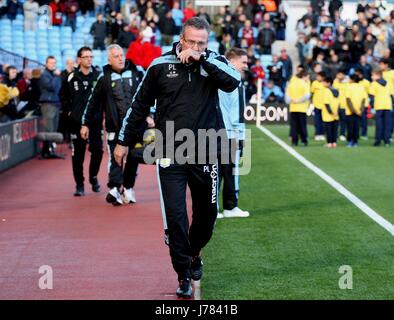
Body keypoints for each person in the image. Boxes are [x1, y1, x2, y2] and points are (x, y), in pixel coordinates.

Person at [113, 17, 240, 299]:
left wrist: (203, 58)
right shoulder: (159, 65)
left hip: (207, 149)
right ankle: (183, 273)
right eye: (191, 41)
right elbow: (138, 106)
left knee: (207, 215)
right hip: (170, 152)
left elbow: (234, 82)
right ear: (181, 39)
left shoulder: (213, 62)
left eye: (201, 42)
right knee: (176, 217)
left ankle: (194, 253)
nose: (195, 46)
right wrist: (122, 142)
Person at [81, 44, 146, 205]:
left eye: (121, 55)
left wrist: (151, 114)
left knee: (133, 157)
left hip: (136, 126)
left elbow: (149, 94)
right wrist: (85, 123)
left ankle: (128, 188)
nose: (120, 58)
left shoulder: (137, 72)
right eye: (116, 56)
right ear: (109, 60)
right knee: (116, 157)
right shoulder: (103, 78)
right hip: (114, 127)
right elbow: (92, 102)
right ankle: (115, 188)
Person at [61, 47, 103, 197]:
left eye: (91, 56)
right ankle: (79, 184)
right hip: (76, 123)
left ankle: (93, 177)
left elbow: (103, 98)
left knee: (98, 151)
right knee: (77, 155)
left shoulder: (99, 76)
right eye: (86, 57)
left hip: (95, 122)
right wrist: (69, 112)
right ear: (79, 59)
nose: (89, 59)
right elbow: (64, 97)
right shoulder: (71, 77)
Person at [216, 48, 249, 219]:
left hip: (214, 132)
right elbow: (237, 114)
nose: (246, 66)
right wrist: (241, 137)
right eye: (243, 62)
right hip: (228, 134)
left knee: (216, 172)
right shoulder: (234, 82)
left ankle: (216, 208)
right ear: (232, 61)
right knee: (229, 172)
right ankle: (230, 207)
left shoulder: (217, 78)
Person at [39, 56, 62, 158]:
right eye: (51, 63)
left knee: (53, 129)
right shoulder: (44, 75)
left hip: (55, 104)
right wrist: (57, 77)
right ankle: (47, 151)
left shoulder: (52, 75)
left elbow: (58, 88)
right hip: (48, 104)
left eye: (54, 63)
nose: (53, 65)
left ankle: (48, 151)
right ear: (46, 63)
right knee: (49, 129)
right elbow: (52, 87)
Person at [285, 70, 311, 146]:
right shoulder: (305, 84)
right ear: (304, 76)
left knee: (294, 126)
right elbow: (307, 95)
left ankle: (294, 142)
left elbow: (287, 96)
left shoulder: (291, 84)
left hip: (293, 107)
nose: (308, 79)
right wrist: (299, 100)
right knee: (302, 125)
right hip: (302, 108)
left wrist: (292, 100)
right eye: (307, 77)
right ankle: (304, 141)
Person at [369, 70, 393, 147]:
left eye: (373, 75)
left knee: (379, 124)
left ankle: (378, 141)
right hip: (388, 106)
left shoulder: (374, 84)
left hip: (378, 106)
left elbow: (372, 97)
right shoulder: (388, 83)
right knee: (388, 124)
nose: (371, 77)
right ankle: (387, 141)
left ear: (378, 75)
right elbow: (391, 95)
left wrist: (372, 107)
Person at [344, 74, 368, 147]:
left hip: (350, 111)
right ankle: (355, 142)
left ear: (352, 80)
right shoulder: (362, 87)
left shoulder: (349, 87)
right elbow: (364, 100)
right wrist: (360, 110)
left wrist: (353, 110)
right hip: (359, 112)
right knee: (357, 127)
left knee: (350, 127)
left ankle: (350, 141)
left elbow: (348, 100)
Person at [321, 76, 339, 148]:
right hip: (336, 113)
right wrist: (336, 112)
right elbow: (338, 102)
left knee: (328, 129)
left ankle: (329, 142)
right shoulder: (337, 91)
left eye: (324, 82)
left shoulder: (326, 91)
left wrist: (330, 112)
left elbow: (326, 103)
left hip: (328, 114)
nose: (323, 83)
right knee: (334, 129)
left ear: (328, 83)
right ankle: (334, 142)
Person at [333, 69, 348, 141]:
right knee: (335, 120)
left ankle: (342, 134)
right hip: (335, 105)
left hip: (344, 105)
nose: (339, 76)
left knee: (343, 121)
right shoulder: (334, 82)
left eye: (341, 74)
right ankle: (334, 134)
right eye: (338, 74)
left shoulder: (347, 83)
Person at [310, 71, 326, 141]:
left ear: (322, 77)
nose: (317, 77)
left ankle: (322, 134)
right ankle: (317, 134)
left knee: (323, 121)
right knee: (317, 121)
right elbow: (312, 92)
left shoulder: (325, 84)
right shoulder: (314, 83)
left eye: (319, 76)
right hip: (316, 105)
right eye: (317, 76)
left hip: (324, 106)